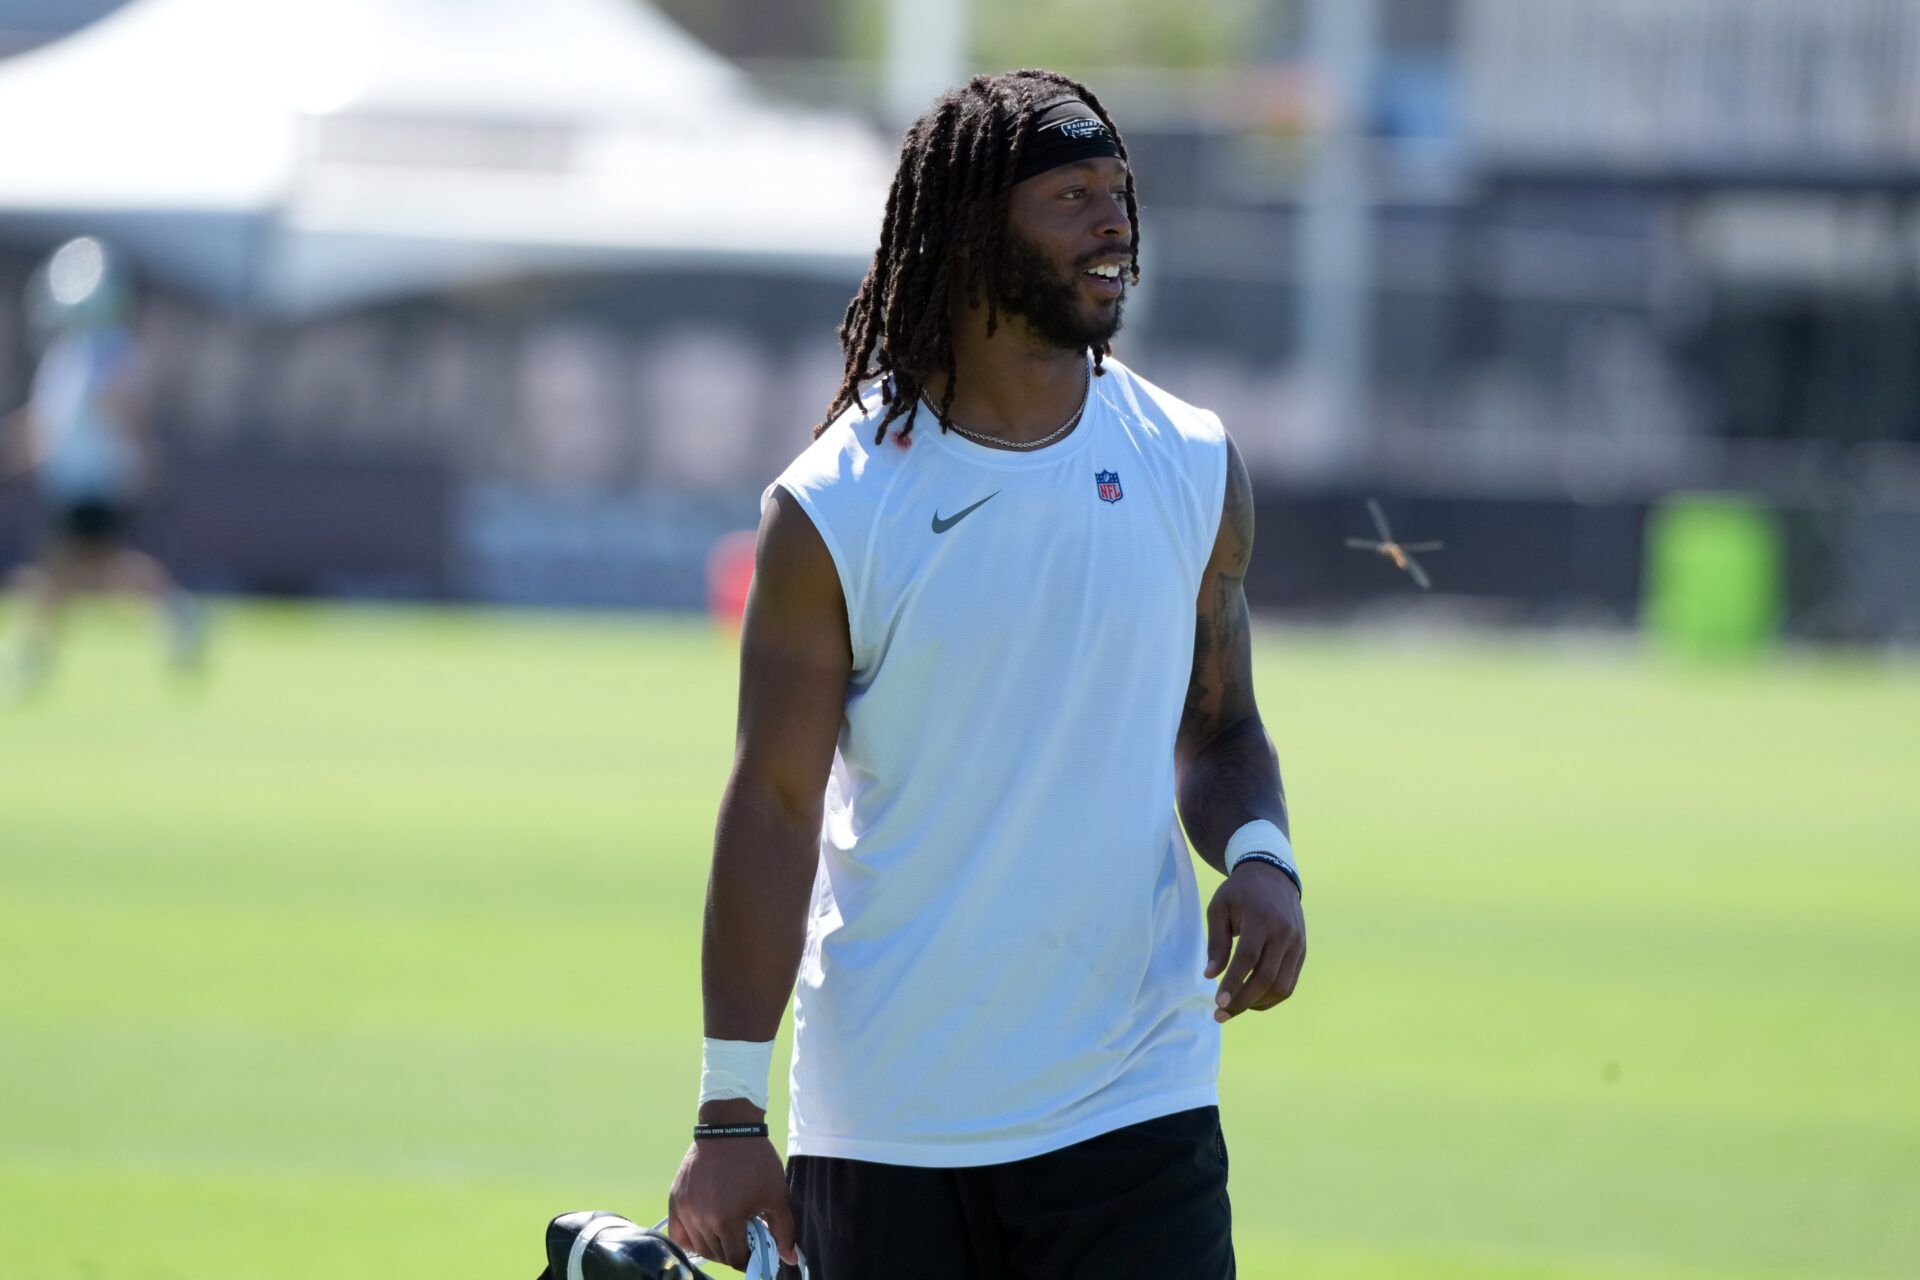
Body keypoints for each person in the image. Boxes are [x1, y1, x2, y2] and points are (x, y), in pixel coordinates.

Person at [668, 69, 1305, 1278]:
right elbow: (774, 806)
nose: (1115, 222)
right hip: (891, 1122)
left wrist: (1264, 857)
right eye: (1072, 195)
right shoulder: (835, 507)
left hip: (1137, 1104)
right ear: (971, 233)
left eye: (1119, 192)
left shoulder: (1193, 463)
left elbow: (1222, 730)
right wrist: (730, 1110)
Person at [1, 237, 203, 698]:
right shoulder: (67, 354)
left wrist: (142, 462)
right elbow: (45, 422)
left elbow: (123, 412)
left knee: (62, 570)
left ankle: (33, 659)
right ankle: (176, 618)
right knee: (93, 571)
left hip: (99, 482)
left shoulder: (108, 351)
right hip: (71, 482)